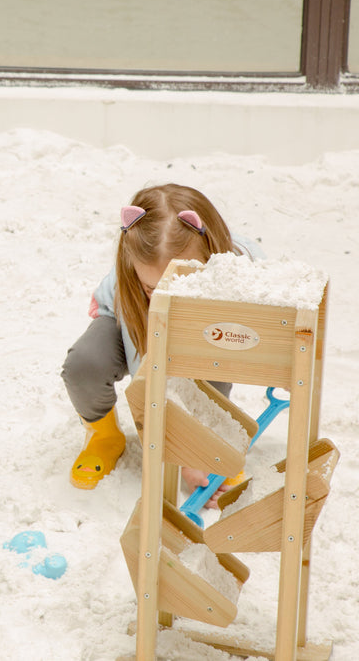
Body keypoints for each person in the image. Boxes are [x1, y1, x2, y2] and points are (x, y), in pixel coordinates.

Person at [60, 184, 262, 502]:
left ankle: (208, 441)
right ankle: (104, 434)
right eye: (153, 286)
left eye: (184, 282)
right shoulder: (128, 285)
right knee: (83, 364)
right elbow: (151, 374)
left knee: (214, 361)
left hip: (204, 333)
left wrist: (195, 453)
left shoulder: (239, 272)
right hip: (136, 327)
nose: (167, 293)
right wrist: (175, 454)